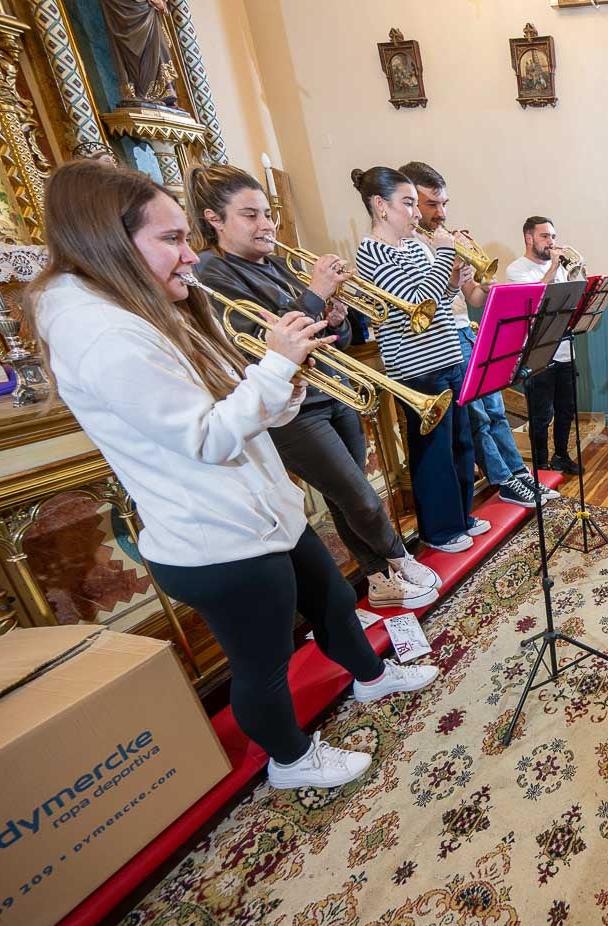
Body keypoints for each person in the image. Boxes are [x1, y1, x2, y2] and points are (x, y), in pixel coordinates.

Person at [23, 160, 438, 791]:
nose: (189, 256)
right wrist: (276, 367)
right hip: (216, 537)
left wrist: (287, 378)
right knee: (263, 665)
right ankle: (292, 760)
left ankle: (374, 678)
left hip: (260, 509)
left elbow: (230, 396)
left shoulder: (145, 308)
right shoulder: (104, 336)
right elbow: (206, 438)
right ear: (109, 242)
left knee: (329, 598)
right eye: (171, 240)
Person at [190, 164, 441, 609]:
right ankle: (399, 559)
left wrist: (337, 318)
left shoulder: (278, 264)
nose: (267, 225)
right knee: (358, 495)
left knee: (345, 494)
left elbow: (331, 339)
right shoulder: (213, 272)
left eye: (267, 213)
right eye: (250, 215)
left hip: (333, 390)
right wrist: (315, 292)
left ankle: (378, 578)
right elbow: (262, 342)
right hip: (291, 408)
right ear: (214, 219)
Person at [397, 162, 557, 507]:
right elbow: (423, 300)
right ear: (409, 202)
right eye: (431, 205)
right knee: (478, 417)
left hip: (466, 332)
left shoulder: (444, 241)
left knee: (496, 409)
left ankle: (519, 474)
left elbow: (472, 299)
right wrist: (447, 265)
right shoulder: (408, 244)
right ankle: (503, 480)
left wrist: (485, 284)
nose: (441, 213)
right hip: (441, 341)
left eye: (444, 204)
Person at [352, 166, 489, 553]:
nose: (417, 213)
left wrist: (452, 277)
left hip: (447, 353)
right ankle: (440, 531)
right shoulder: (371, 253)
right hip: (416, 368)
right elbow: (415, 302)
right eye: (408, 203)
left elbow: (437, 301)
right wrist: (445, 253)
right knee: (433, 455)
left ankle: (462, 515)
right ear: (380, 206)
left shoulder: (413, 246)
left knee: (461, 442)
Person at [504, 215, 582, 475]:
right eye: (545, 236)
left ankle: (561, 455)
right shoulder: (517, 269)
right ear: (529, 238)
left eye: (553, 237)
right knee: (540, 416)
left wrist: (576, 274)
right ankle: (540, 465)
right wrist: (553, 269)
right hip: (538, 354)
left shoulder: (559, 268)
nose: (552, 242)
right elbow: (535, 299)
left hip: (565, 349)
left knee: (566, 410)